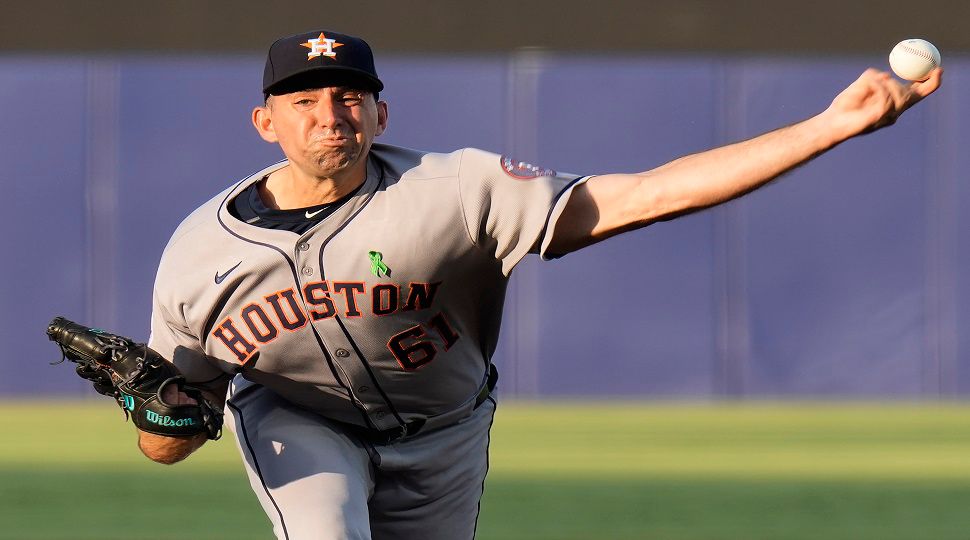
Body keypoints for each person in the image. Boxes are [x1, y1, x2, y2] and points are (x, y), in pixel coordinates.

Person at [140, 29, 942, 539]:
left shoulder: (456, 189)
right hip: (301, 422)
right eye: (303, 100)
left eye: (349, 97)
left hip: (446, 431)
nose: (330, 116)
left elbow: (651, 194)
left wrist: (829, 126)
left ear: (382, 115)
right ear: (265, 122)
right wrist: (160, 408)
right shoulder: (199, 254)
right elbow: (164, 446)